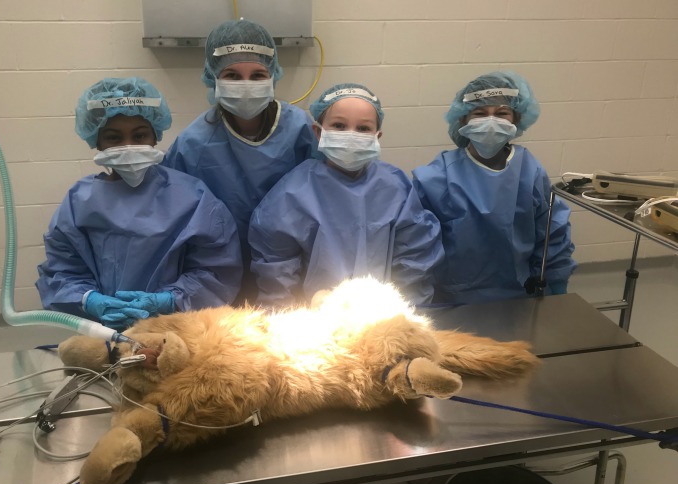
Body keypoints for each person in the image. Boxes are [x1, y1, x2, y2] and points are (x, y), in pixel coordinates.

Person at [36, 77, 243, 330]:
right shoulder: (79, 202)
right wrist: (89, 300)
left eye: (139, 135)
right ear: (96, 141)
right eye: (114, 138)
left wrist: (168, 300)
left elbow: (216, 270)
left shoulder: (193, 198)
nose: (128, 146)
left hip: (177, 330)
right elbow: (63, 270)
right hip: (100, 332)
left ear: (155, 135)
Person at [160, 19, 317, 303]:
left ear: (274, 76)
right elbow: (176, 220)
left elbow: (323, 199)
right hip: (220, 273)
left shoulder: (299, 129)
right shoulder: (193, 144)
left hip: (292, 267)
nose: (246, 85)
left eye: (258, 75)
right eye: (232, 75)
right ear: (213, 78)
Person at [247, 83, 444, 308]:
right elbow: (276, 272)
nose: (351, 135)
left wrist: (403, 310)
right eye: (339, 126)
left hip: (384, 315)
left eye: (363, 129)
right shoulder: (292, 193)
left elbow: (415, 258)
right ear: (319, 132)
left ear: (377, 136)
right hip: (315, 317)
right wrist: (288, 321)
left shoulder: (395, 187)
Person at [412, 71, 576, 305]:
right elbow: (417, 248)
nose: (491, 121)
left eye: (501, 114)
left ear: (516, 120)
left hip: (519, 298)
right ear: (463, 120)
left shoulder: (530, 171)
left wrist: (555, 283)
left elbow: (552, 234)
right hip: (451, 301)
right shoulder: (436, 177)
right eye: (480, 114)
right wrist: (419, 301)